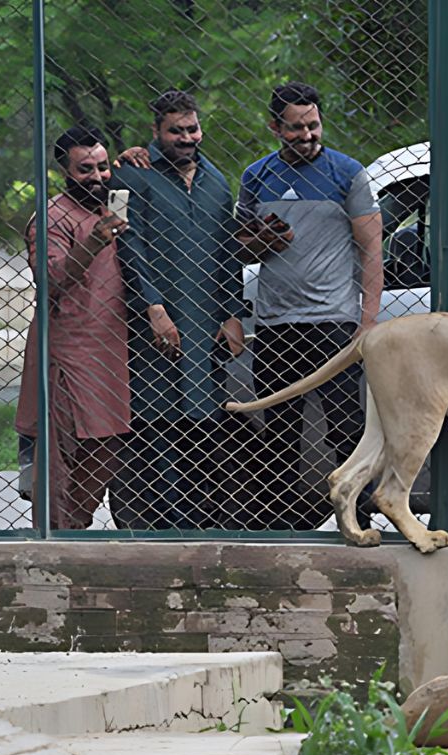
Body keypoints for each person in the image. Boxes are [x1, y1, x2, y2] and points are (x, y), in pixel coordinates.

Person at [108, 89, 273, 529]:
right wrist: (153, 306)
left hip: (207, 324)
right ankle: (163, 519)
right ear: (157, 131)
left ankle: (199, 517)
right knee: (157, 420)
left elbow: (226, 252)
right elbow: (125, 244)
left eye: (192, 129)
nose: (186, 138)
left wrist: (234, 312)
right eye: (175, 130)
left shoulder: (219, 182)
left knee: (203, 422)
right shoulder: (126, 178)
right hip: (154, 323)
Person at [235, 82, 383, 529]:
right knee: (278, 430)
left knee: (345, 425)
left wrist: (368, 320)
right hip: (277, 322)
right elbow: (239, 248)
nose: (307, 135)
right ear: (275, 126)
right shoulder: (256, 175)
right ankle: (279, 525)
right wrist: (262, 239)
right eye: (295, 128)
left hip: (334, 320)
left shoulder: (347, 173)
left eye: (313, 125)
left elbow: (371, 247)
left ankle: (358, 516)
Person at [14, 126, 131, 529]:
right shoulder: (52, 216)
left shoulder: (112, 208)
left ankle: (73, 530)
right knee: (57, 457)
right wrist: (94, 242)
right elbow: (51, 278)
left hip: (111, 354)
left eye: (102, 167)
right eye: (85, 169)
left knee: (106, 449)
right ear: (63, 170)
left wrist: (134, 157)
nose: (97, 177)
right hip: (66, 354)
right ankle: (53, 541)